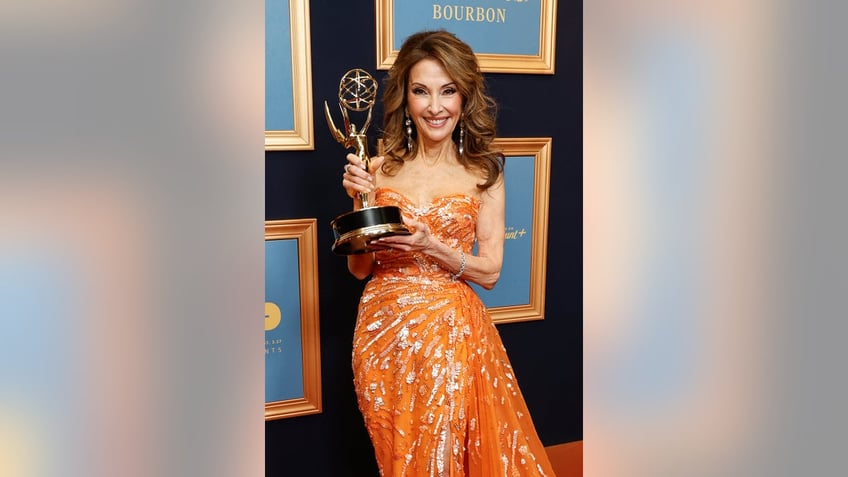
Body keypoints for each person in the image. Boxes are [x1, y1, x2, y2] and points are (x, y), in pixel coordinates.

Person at [340, 30, 556, 476]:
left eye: (447, 91)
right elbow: (360, 269)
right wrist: (359, 203)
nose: (435, 106)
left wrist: (432, 246)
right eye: (421, 91)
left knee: (439, 456)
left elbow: (492, 272)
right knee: (397, 455)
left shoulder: (483, 173)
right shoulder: (376, 169)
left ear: (465, 96)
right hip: (382, 335)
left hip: (450, 334)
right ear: (406, 97)